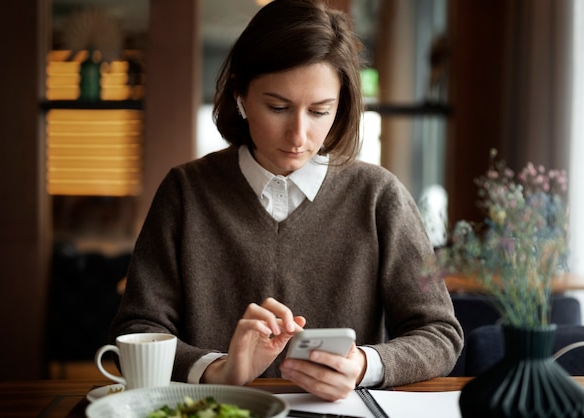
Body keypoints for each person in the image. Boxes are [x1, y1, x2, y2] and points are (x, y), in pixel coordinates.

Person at [110, 0, 463, 402]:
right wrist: (217, 368)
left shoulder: (379, 196)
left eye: (319, 111)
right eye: (277, 107)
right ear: (240, 94)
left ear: (342, 105)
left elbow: (441, 334)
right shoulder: (186, 192)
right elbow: (135, 331)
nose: (298, 135)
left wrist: (363, 365)